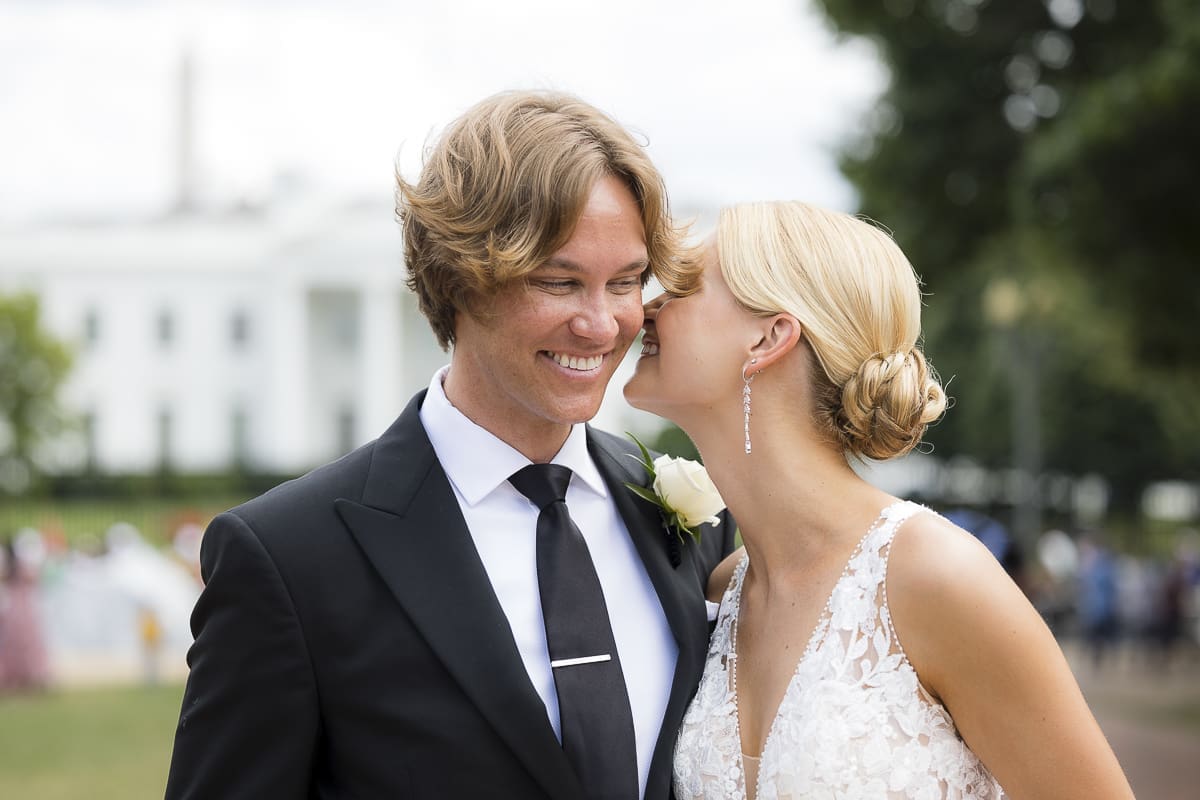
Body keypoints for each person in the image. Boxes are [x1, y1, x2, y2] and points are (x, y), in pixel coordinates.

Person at [165, 91, 736, 800]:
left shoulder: (693, 519)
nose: (602, 325)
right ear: (461, 278)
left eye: (624, 283)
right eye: (559, 282)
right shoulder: (286, 557)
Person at [625, 201, 1134, 799]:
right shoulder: (722, 589)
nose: (644, 305)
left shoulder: (935, 576)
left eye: (682, 286)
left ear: (769, 336)